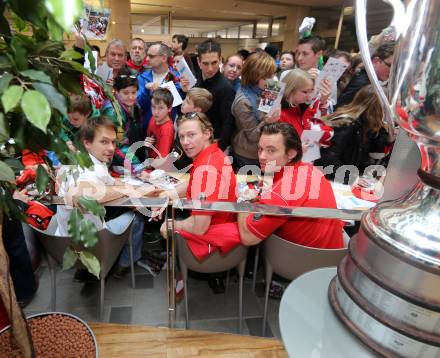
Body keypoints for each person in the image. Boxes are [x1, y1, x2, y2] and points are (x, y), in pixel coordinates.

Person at [53, 116, 159, 280]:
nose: (111, 148)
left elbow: (110, 182)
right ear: (87, 142)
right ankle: (124, 264)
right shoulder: (88, 168)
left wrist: (136, 189)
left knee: (125, 205)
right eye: (104, 142)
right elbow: (79, 194)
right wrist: (131, 191)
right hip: (90, 244)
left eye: (113, 142)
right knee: (137, 216)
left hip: (62, 242)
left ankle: (88, 270)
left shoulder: (86, 160)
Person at [159, 112, 237, 293]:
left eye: (191, 135)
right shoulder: (213, 154)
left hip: (211, 237)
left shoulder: (206, 170)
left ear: (207, 133)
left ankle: (178, 281)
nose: (185, 142)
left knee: (165, 226)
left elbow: (199, 227)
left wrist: (171, 225)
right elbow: (193, 182)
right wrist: (169, 193)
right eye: (182, 136)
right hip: (224, 225)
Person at [237, 122, 344, 248]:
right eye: (260, 149)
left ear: (291, 154)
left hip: (302, 262)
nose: (262, 156)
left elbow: (247, 237)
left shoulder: (287, 186)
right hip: (329, 255)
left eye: (271, 150)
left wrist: (243, 200)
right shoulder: (309, 169)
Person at [316, 85, 391, 184]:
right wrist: (353, 178)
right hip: (327, 180)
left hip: (340, 178)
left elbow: (361, 157)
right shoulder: (346, 123)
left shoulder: (365, 124)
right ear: (378, 107)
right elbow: (329, 159)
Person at [181, 39, 235, 150]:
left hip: (212, 143)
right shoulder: (195, 79)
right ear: (198, 62)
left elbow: (228, 123)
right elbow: (187, 109)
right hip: (194, 139)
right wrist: (185, 92)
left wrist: (218, 148)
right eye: (205, 63)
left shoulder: (226, 88)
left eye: (214, 63)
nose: (210, 68)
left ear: (220, 60)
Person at [231, 51, 278, 169]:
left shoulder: (267, 88)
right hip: (249, 153)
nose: (272, 79)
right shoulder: (243, 101)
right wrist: (268, 121)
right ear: (255, 76)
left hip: (265, 148)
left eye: (272, 75)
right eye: (268, 77)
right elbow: (252, 135)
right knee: (252, 185)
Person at [101, 69, 146, 169]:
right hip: (115, 162)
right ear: (116, 91)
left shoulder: (135, 106)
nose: (130, 97)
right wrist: (137, 166)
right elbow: (119, 145)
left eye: (134, 92)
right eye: (126, 93)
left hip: (132, 157)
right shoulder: (112, 113)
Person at [279, 68, 333, 148]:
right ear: (290, 90)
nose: (309, 95)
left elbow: (322, 127)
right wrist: (298, 149)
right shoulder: (280, 114)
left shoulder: (303, 108)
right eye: (305, 92)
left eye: (311, 90)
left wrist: (323, 102)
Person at [137, 42, 181, 131]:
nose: (147, 59)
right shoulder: (142, 78)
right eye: (147, 55)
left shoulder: (177, 77)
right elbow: (140, 105)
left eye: (151, 56)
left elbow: (179, 105)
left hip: (169, 130)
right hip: (147, 129)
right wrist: (146, 90)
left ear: (164, 58)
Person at [337, 42, 395, 108]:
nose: (393, 71)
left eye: (396, 68)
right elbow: (341, 108)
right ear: (376, 61)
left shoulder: (367, 80)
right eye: (390, 66)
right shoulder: (363, 83)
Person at [145, 88, 174, 161]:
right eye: (153, 107)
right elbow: (150, 140)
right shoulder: (153, 118)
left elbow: (161, 159)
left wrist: (147, 165)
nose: (156, 112)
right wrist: (147, 142)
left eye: (161, 108)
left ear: (169, 108)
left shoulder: (166, 129)